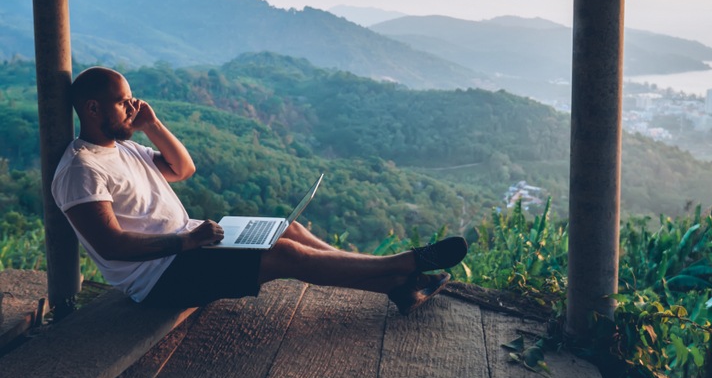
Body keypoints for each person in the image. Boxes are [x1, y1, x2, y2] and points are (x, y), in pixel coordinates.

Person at [52, 67, 467, 313]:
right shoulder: (80, 169)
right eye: (125, 102)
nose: (133, 107)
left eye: (132, 100)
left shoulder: (124, 146)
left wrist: (152, 125)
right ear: (92, 108)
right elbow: (111, 245)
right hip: (159, 279)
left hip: (192, 245)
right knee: (283, 254)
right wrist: (184, 241)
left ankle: (397, 286)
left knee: (289, 232)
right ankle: (403, 263)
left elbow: (183, 168)